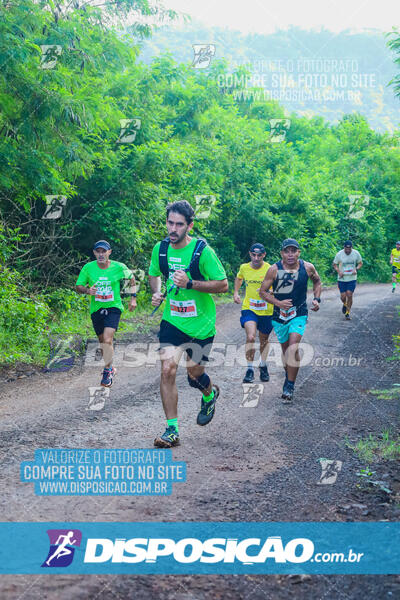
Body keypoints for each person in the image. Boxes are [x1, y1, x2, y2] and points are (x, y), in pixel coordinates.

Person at [149, 200, 228, 448]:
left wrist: (190, 284)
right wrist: (157, 292)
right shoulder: (160, 250)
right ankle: (172, 430)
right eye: (170, 223)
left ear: (189, 226)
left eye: (179, 224)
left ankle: (209, 393)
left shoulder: (202, 251)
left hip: (201, 325)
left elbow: (223, 284)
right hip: (172, 321)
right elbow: (154, 274)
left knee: (194, 374)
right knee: (167, 370)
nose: (173, 229)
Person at [259, 238, 321, 403]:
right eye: (287, 251)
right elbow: (263, 292)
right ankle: (289, 374)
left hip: (299, 312)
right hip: (280, 316)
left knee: (293, 347)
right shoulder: (275, 269)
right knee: (286, 352)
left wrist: (317, 299)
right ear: (282, 253)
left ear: (298, 252)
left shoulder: (307, 268)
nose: (290, 254)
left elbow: (317, 281)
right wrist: (279, 303)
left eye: (294, 251)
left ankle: (289, 386)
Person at [76, 240, 136, 387]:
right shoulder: (88, 268)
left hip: (113, 307)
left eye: (104, 251)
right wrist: (87, 291)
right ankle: (111, 366)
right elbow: (78, 286)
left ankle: (107, 370)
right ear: (94, 253)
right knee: (103, 341)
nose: (101, 254)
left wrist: (132, 298)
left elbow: (132, 278)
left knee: (108, 339)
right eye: (98, 251)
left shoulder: (119, 267)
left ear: (109, 252)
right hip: (96, 309)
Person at [233, 243, 273, 383]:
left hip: (267, 310)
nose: (256, 258)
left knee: (264, 340)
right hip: (249, 308)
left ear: (264, 255)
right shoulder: (244, 267)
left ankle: (263, 365)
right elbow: (239, 278)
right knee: (250, 337)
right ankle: (249, 369)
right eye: (253, 255)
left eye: (259, 255)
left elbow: (277, 287)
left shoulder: (270, 268)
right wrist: (236, 292)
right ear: (250, 254)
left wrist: (269, 292)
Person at [333, 241, 362, 320]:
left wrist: (356, 269)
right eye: (346, 249)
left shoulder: (356, 253)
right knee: (343, 296)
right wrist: (339, 271)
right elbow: (334, 264)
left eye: (349, 249)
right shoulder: (339, 254)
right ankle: (345, 304)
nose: (348, 250)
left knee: (349, 294)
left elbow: (360, 263)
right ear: (344, 247)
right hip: (342, 278)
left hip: (352, 278)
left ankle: (347, 313)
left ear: (351, 248)